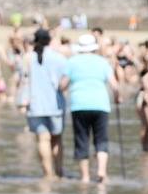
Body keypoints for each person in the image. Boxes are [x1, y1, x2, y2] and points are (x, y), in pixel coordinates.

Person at [63, 34, 119, 183]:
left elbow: (63, 84)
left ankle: (85, 177)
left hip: (79, 104)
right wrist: (118, 98)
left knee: (82, 140)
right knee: (101, 139)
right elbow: (114, 85)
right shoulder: (102, 62)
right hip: (100, 104)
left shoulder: (72, 62)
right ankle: (101, 171)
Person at [25, 28, 68, 179]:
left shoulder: (28, 58)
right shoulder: (59, 58)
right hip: (55, 105)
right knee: (57, 139)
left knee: (43, 139)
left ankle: (48, 174)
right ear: (49, 40)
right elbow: (65, 81)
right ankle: (59, 171)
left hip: (35, 105)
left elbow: (23, 79)